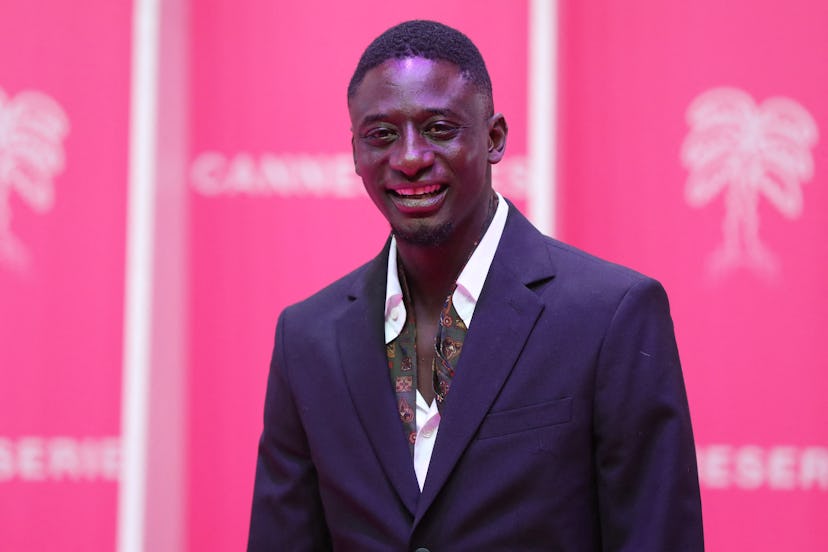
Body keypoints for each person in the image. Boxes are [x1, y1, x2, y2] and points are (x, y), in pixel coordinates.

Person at [248, 20, 703, 551]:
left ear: (494, 138)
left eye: (439, 128)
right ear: (354, 153)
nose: (410, 158)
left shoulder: (610, 315)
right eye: (381, 135)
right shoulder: (307, 337)